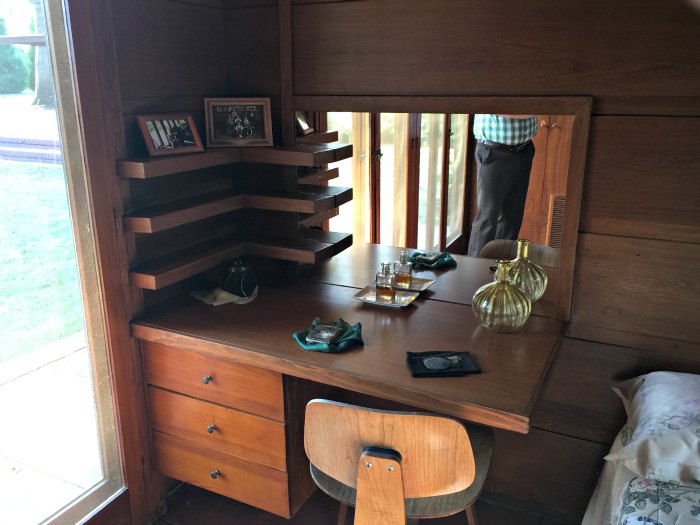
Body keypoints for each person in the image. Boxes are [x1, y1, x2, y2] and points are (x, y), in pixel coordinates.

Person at [466, 114, 538, 257]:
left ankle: (501, 272)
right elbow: (493, 103)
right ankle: (473, 274)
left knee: (512, 217)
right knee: (487, 219)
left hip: (524, 149)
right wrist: (534, 106)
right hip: (494, 151)